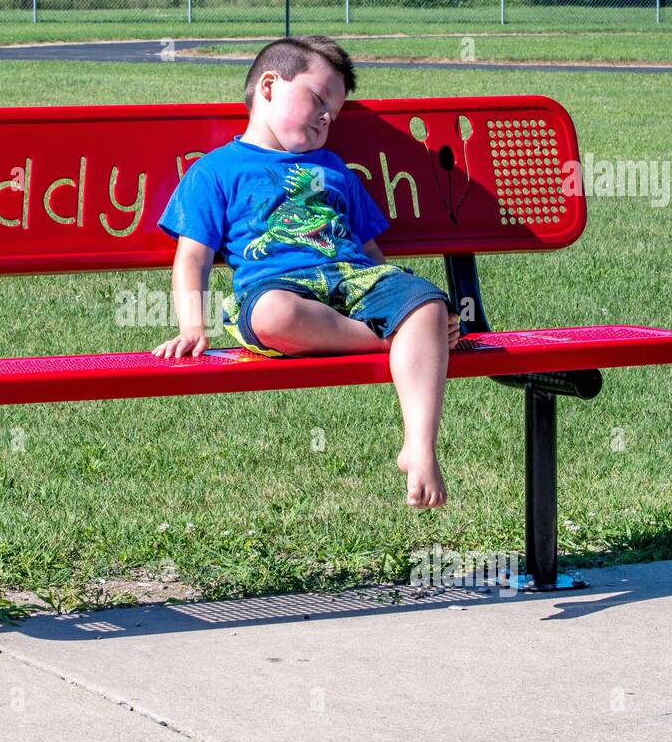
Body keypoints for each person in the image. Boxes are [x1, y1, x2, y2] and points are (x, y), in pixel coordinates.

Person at [152, 35, 460, 509]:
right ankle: (396, 337)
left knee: (426, 303)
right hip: (277, 289)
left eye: (333, 115)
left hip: (350, 278)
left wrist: (409, 304)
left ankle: (419, 447)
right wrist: (192, 324)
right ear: (270, 86)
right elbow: (191, 257)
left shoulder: (334, 169)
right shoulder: (215, 171)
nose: (325, 119)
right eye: (318, 100)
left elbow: (371, 251)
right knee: (274, 315)